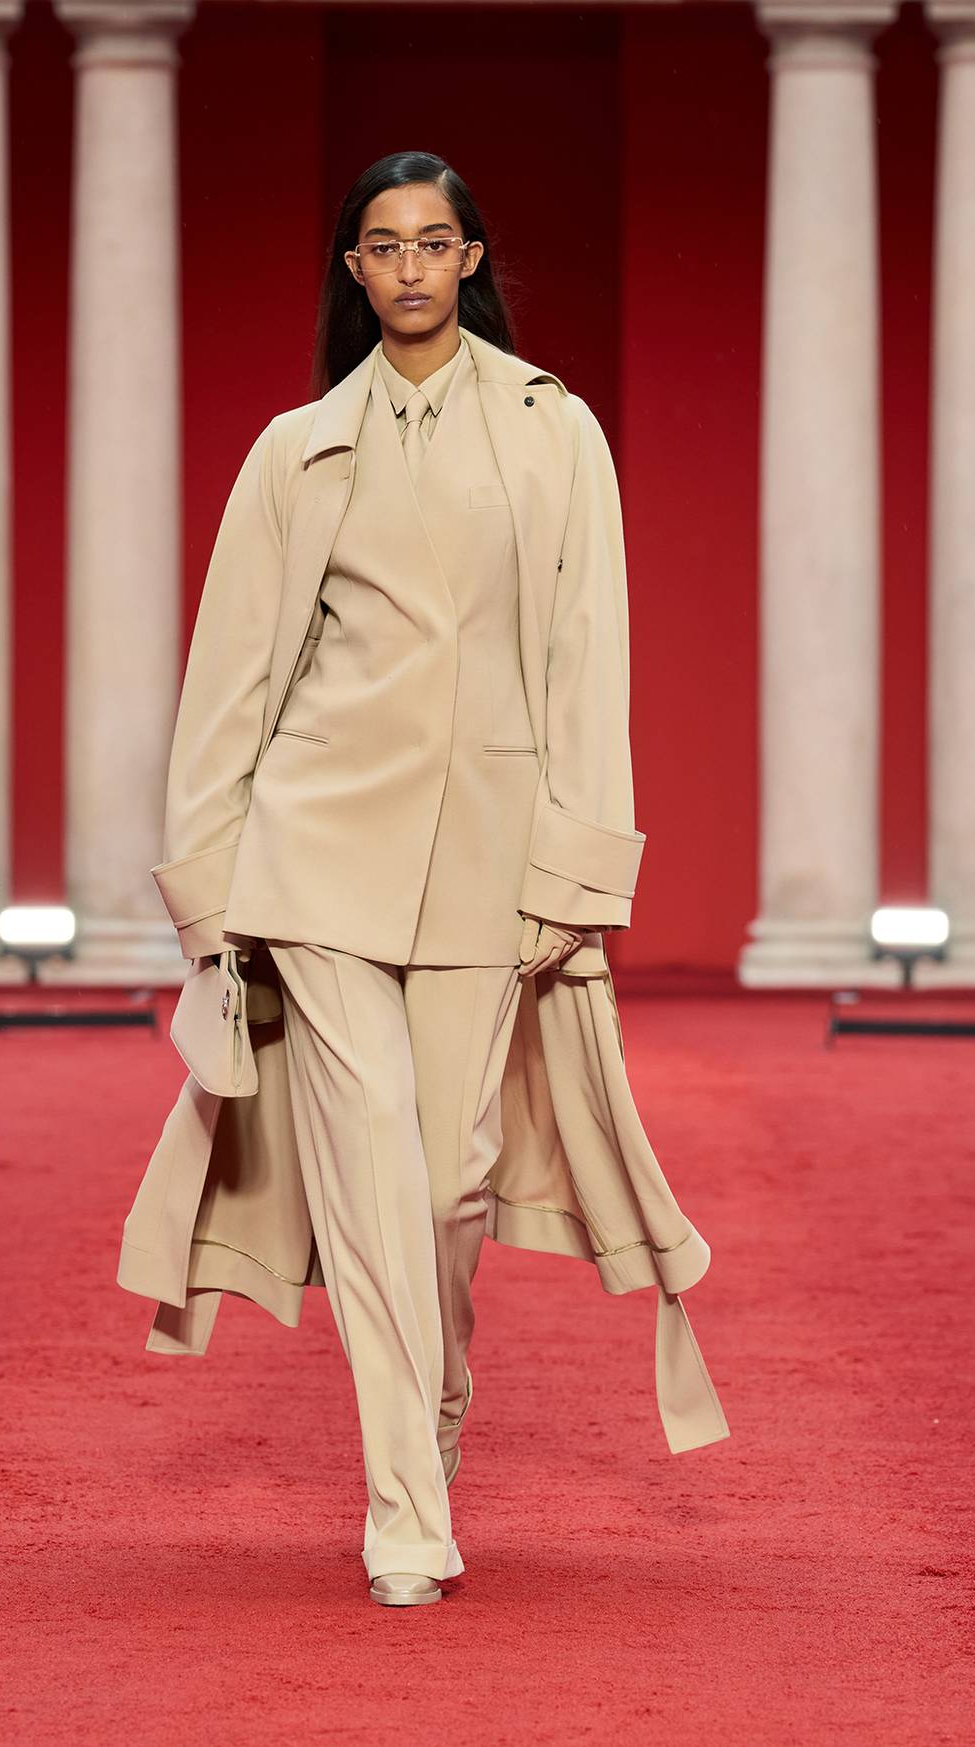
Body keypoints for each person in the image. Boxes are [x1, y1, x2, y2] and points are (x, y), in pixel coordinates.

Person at [146, 149, 667, 1606]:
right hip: (317, 850)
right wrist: (211, 893)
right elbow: (227, 680)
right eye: (384, 245)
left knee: (446, 1185)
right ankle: (404, 1512)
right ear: (356, 269)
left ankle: (429, 1415)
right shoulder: (296, 449)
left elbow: (590, 656)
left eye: (436, 242)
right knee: (374, 1165)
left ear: (473, 259)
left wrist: (577, 865)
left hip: (489, 855)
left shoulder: (554, 431)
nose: (412, 268)